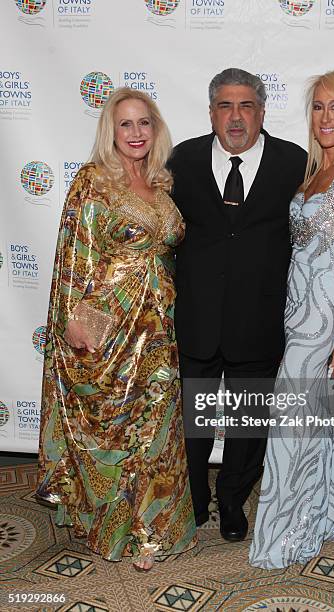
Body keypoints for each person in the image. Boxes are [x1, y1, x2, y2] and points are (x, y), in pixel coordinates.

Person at [168, 68, 334, 542]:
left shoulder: (293, 162)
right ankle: (193, 503)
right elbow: (160, 230)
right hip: (195, 317)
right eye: (226, 107)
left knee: (248, 427)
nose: (236, 118)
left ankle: (232, 500)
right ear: (211, 112)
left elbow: (323, 221)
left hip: (261, 319)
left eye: (246, 106)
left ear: (261, 111)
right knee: (192, 423)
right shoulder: (182, 159)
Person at [36, 87, 197, 571]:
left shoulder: (161, 182)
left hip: (160, 329)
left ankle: (152, 533)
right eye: (125, 124)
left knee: (159, 428)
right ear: (111, 130)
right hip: (112, 329)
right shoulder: (92, 182)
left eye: (144, 123)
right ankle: (108, 525)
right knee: (114, 430)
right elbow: (74, 257)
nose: (135, 133)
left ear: (156, 128)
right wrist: (77, 325)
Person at [249, 70, 334, 569]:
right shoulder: (312, 174)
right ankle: (323, 512)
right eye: (319, 107)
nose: (326, 117)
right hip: (295, 307)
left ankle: (284, 532)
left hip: (325, 314)